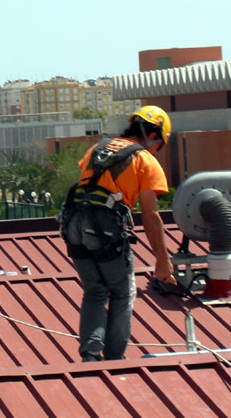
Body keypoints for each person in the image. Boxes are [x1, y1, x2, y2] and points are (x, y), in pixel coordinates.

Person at [60, 105, 174, 362]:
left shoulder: (96, 150)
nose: (157, 151)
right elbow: (150, 215)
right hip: (103, 227)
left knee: (95, 291)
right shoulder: (145, 160)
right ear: (153, 136)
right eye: (160, 145)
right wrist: (162, 259)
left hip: (73, 224)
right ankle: (114, 360)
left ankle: (90, 355)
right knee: (123, 291)